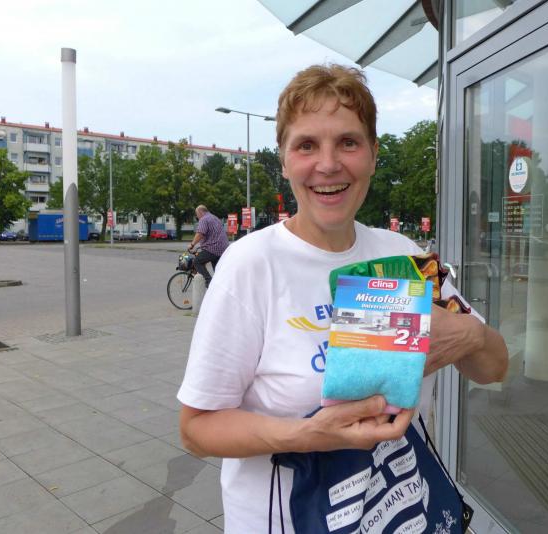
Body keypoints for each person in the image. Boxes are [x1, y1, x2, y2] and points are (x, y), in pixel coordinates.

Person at [177, 64, 509, 533]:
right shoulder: (251, 264)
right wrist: (307, 435)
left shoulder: (404, 256)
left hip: (400, 513)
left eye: (348, 142)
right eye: (307, 145)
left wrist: (469, 335)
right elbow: (196, 429)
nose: (328, 164)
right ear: (284, 160)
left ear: (373, 154)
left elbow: (495, 367)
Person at [187, 205, 229, 288]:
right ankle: (219, 288)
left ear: (200, 212)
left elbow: (200, 233)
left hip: (213, 248)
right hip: (223, 249)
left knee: (197, 261)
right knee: (218, 272)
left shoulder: (204, 219)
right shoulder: (215, 218)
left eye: (197, 214)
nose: (197, 217)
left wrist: (192, 244)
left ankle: (209, 282)